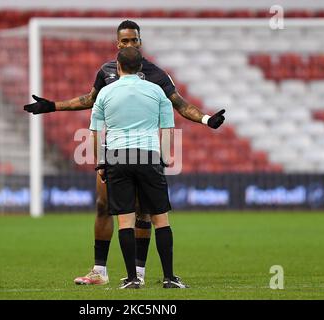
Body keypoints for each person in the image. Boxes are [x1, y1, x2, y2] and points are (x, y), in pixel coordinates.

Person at [24, 20, 225, 286]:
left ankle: (137, 274)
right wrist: (53, 106)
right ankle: (100, 271)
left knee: (141, 213)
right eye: (125, 41)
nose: (130, 44)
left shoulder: (156, 74)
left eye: (134, 40)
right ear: (117, 43)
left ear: (140, 42)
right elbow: (89, 99)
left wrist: (206, 119)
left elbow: (180, 104)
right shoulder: (106, 71)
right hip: (118, 151)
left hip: (137, 153)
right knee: (103, 206)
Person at [90, 47, 187, 289]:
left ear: (118, 67)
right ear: (141, 68)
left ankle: (132, 278)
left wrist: (100, 162)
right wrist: (163, 159)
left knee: (125, 221)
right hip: (147, 156)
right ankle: (169, 278)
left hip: (116, 157)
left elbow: (95, 131)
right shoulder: (156, 92)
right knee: (160, 219)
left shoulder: (105, 93)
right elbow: (167, 129)